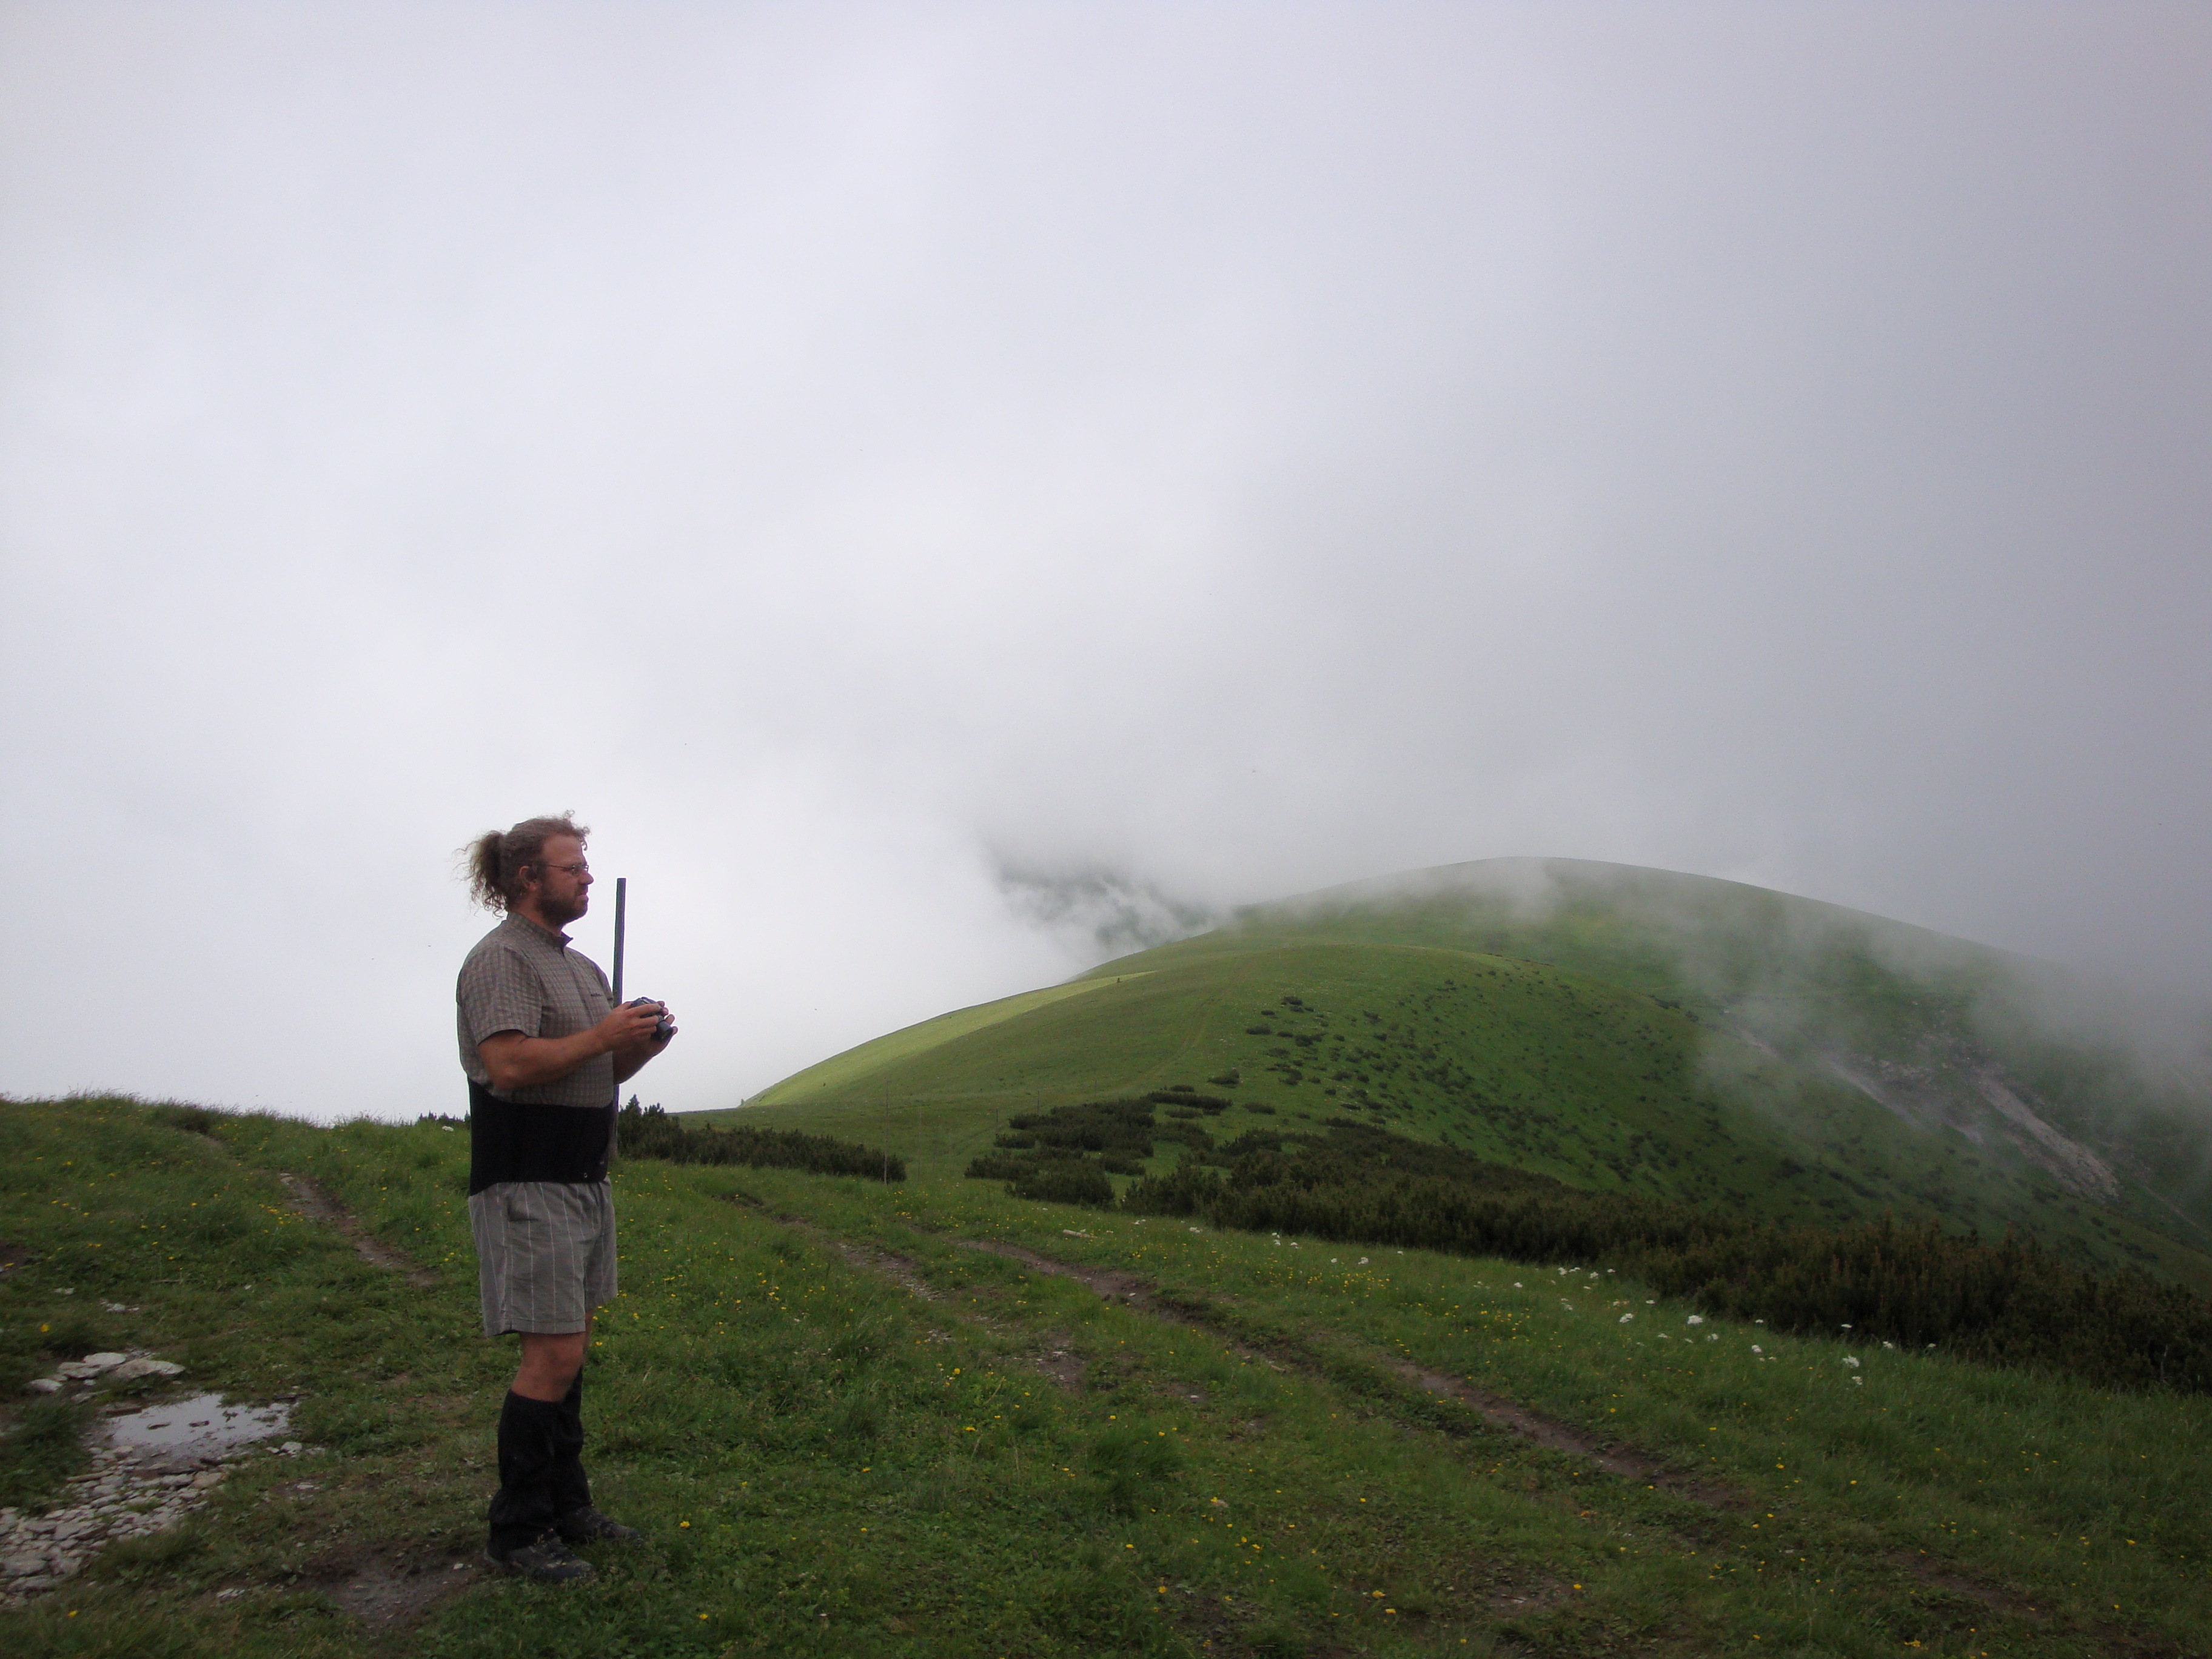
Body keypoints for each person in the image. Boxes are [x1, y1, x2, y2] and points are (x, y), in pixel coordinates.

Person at [455, 813, 675, 1583]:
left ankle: (567, 1505)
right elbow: (510, 1066)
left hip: (583, 1182)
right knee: (551, 1356)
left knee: (570, 1352)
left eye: (586, 866)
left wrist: (637, 1047)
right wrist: (603, 1036)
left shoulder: (579, 969)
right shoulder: (501, 960)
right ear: (528, 878)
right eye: (572, 867)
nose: (586, 878)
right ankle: (517, 1531)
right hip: (528, 1180)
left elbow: (595, 1072)